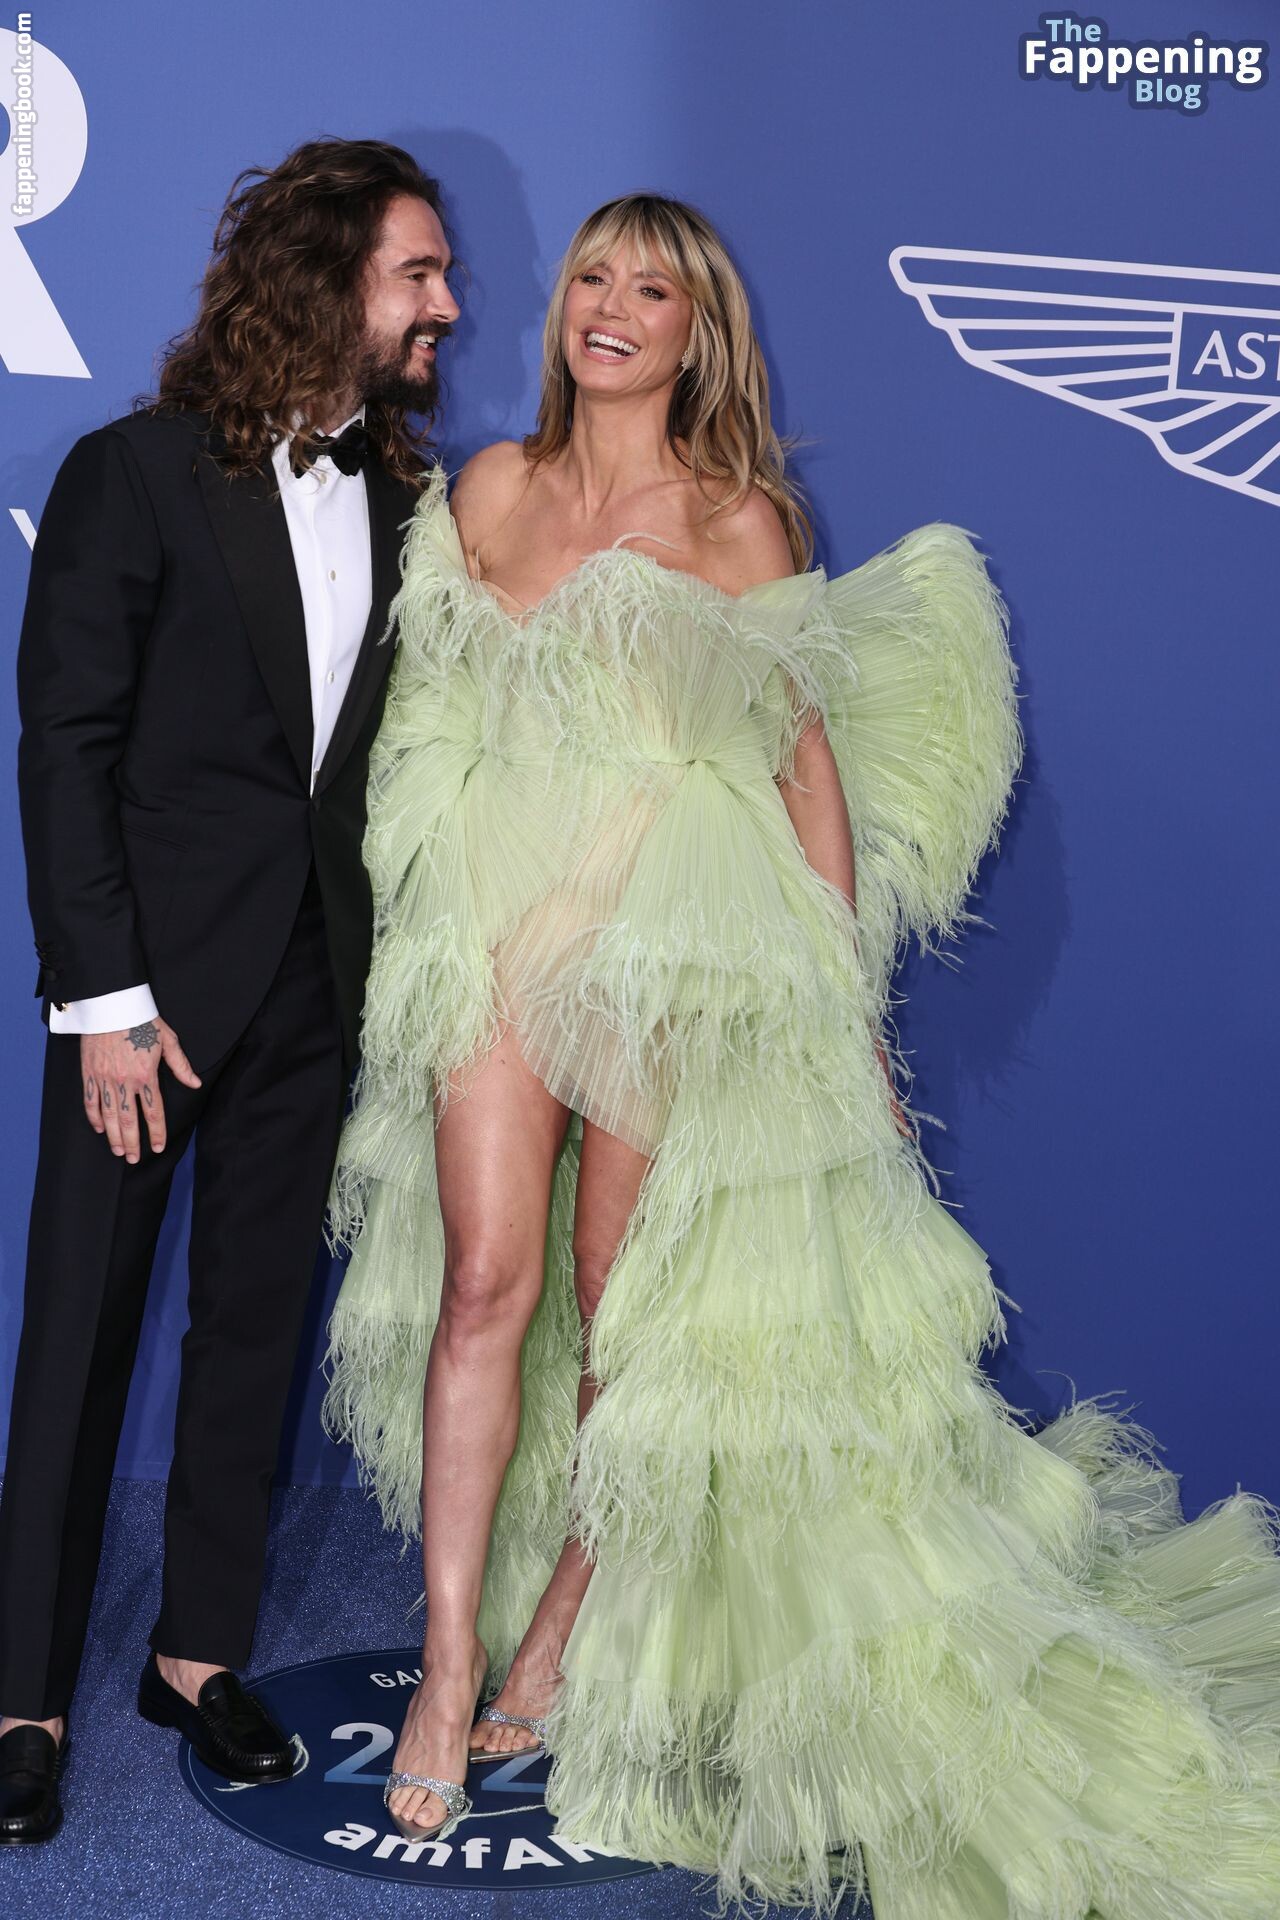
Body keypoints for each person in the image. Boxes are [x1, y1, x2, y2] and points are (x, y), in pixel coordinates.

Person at [325, 194, 1280, 1912]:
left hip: (673, 940)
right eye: (592, 278)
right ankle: (449, 1664)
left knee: (625, 1311)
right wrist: (443, 901)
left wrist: (840, 1002)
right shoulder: (490, 492)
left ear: (698, 334)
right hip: (498, 926)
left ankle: (555, 1637)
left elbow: (804, 761)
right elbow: (431, 719)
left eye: (653, 290)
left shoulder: (741, 518)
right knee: (483, 1282)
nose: (612, 308)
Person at [0, 137, 459, 1846]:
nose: (447, 305)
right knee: (79, 1341)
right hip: (147, 1000)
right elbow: (68, 746)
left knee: (253, 1328)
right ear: (329, 280)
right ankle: (22, 1697)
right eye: (419, 273)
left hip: (316, 987)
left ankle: (194, 1657)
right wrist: (103, 1001)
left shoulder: (411, 500)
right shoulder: (132, 474)